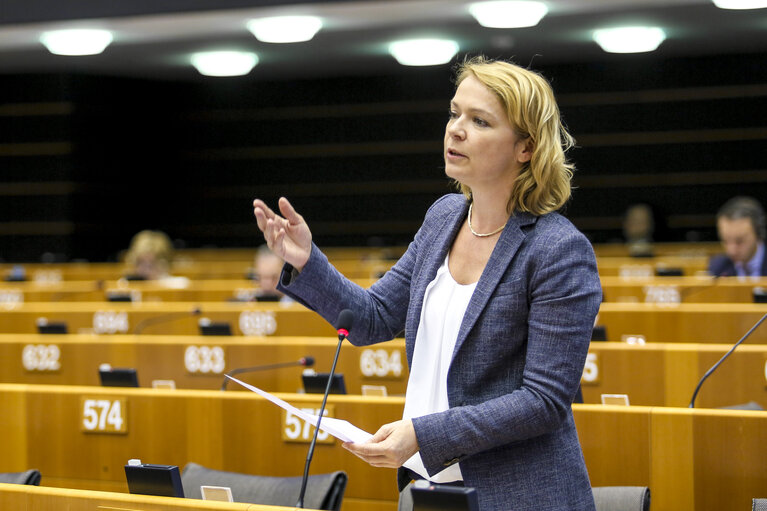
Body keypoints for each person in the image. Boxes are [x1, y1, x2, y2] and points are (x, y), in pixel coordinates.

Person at [253, 56, 601, 511]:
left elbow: (543, 401)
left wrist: (423, 433)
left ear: (526, 148)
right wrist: (306, 260)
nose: (455, 129)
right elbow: (372, 318)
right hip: (425, 488)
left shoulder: (558, 250)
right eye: (455, 113)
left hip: (518, 494)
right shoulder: (442, 218)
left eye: (479, 121)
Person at [708, 196, 767, 277]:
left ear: (758, 234)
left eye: (739, 241)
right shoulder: (718, 267)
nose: (731, 251)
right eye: (725, 241)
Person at [124, 230, 188, 287]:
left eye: (151, 265)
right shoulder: (125, 285)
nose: (145, 271)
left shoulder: (179, 285)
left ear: (164, 264)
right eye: (140, 263)